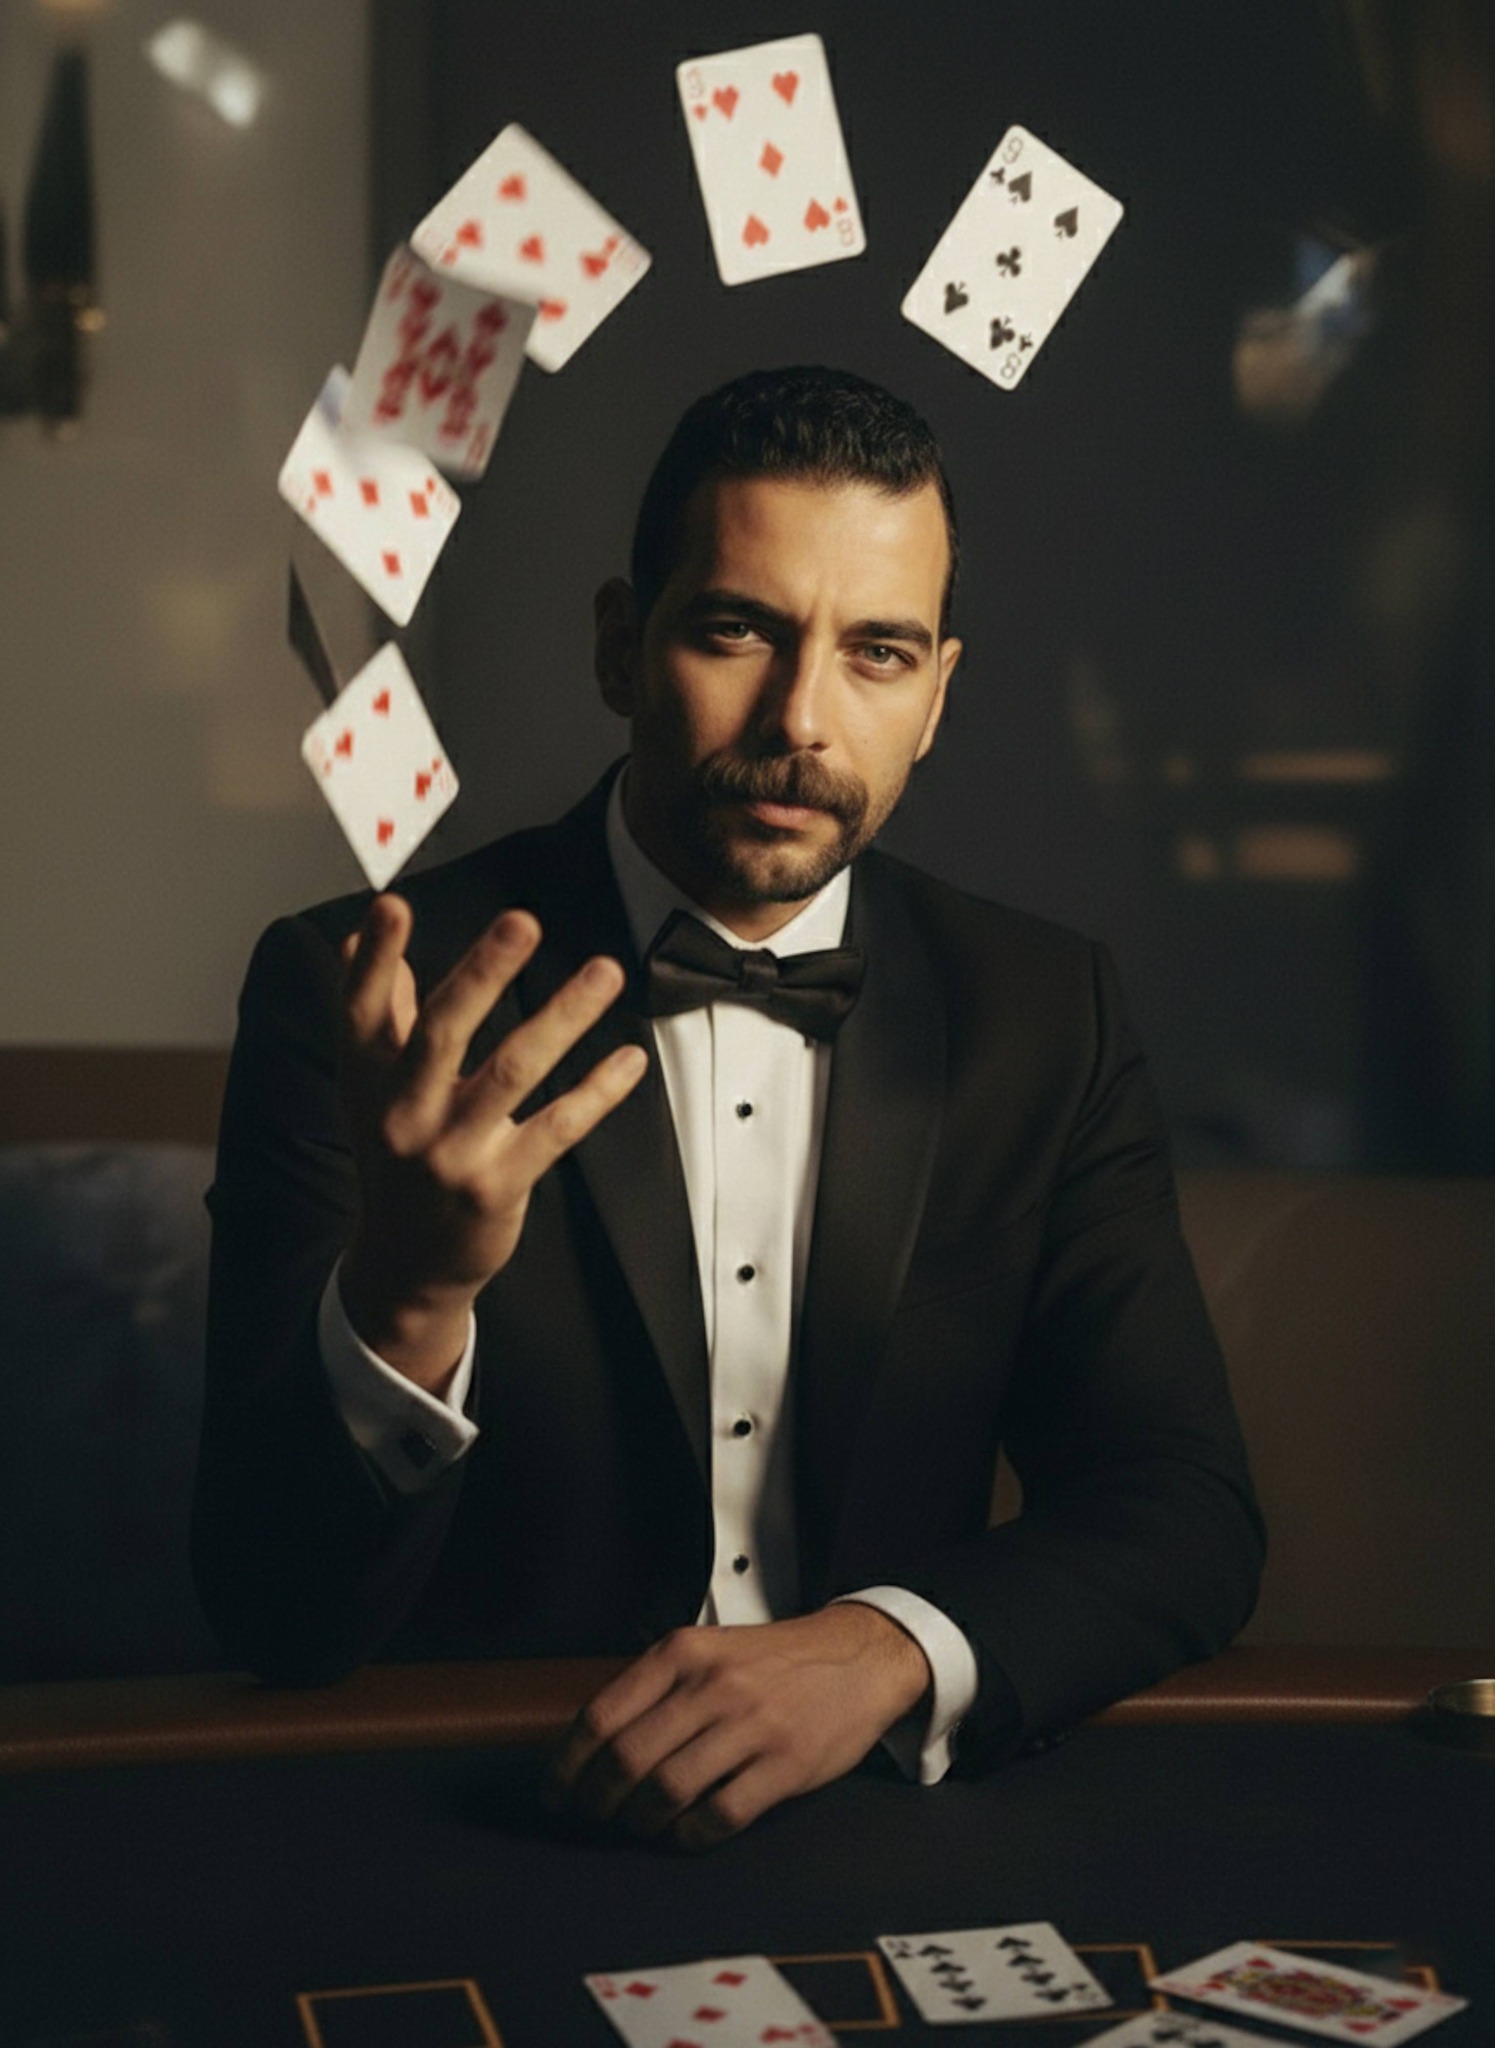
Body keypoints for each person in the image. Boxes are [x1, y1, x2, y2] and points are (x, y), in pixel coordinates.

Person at [194, 366, 1264, 1850]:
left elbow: (1186, 1514)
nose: (801, 719)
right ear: (622, 646)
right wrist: (408, 1295)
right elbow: (271, 1613)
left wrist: (888, 1648)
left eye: (876, 653)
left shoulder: (1045, 1012)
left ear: (939, 696)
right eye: (736, 630)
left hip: (891, 1810)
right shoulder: (359, 988)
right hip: (476, 1826)